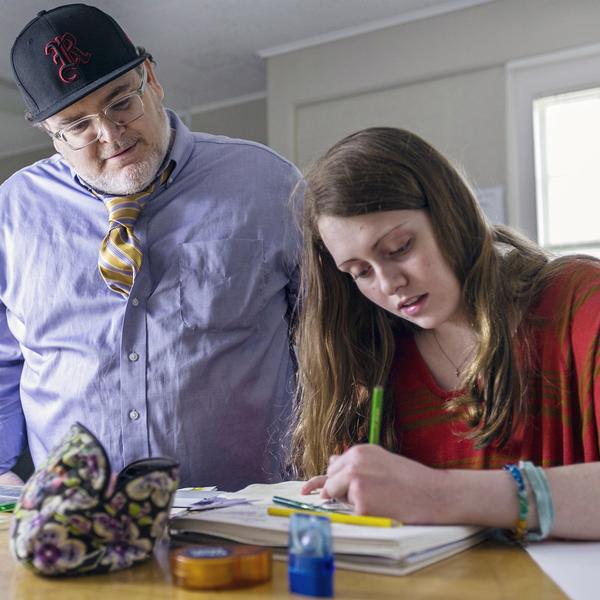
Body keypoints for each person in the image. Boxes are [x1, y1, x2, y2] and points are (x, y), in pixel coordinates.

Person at [0, 4, 301, 490]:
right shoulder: (11, 213)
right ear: (50, 136)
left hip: (244, 518)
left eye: (121, 102)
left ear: (151, 80)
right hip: (77, 527)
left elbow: (329, 338)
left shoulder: (269, 184)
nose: (110, 134)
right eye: (77, 126)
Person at [292, 127, 600, 540]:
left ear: (450, 211)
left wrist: (436, 494)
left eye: (400, 247)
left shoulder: (579, 302)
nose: (388, 283)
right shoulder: (375, 362)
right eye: (360, 272)